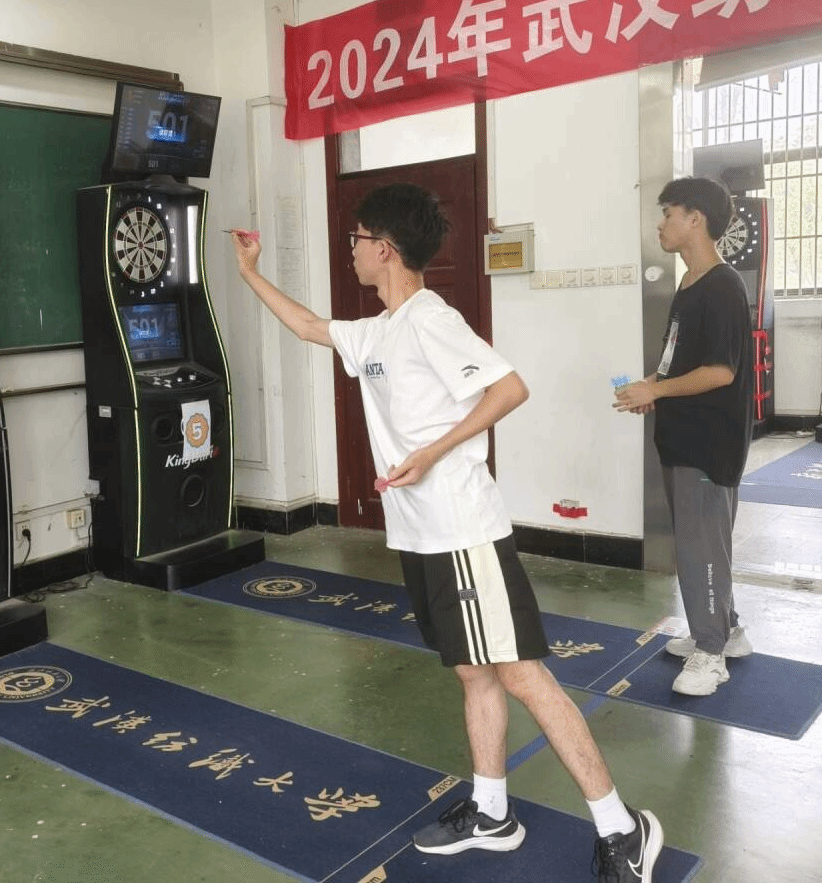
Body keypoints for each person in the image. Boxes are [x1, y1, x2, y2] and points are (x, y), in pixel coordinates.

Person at [231, 183, 662, 883]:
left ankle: (623, 826)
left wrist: (432, 451)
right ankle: (492, 813)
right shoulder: (377, 331)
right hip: (422, 535)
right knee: (473, 671)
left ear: (384, 248)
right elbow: (309, 326)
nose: (351, 249)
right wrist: (250, 273)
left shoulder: (430, 318)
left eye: (356, 238)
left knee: (520, 673)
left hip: (462, 530)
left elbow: (508, 389)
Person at [614, 176, 754, 697]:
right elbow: (680, 363)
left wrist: (657, 388)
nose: (661, 224)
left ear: (695, 219)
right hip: (681, 436)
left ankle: (711, 654)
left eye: (668, 213)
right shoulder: (690, 283)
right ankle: (727, 631)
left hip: (709, 443)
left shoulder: (722, 286)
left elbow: (720, 371)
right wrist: (652, 387)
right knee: (699, 543)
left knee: (701, 550)